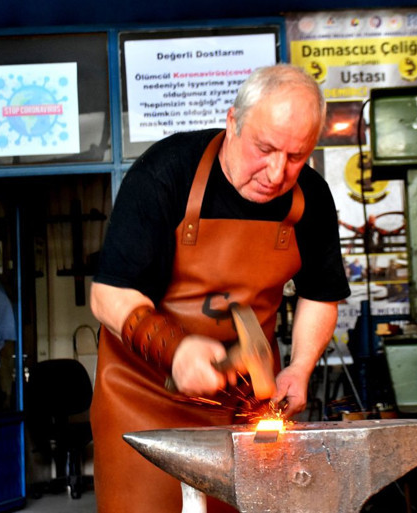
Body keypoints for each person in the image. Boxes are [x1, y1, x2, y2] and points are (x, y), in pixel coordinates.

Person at [89, 64, 350, 513]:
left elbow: (321, 294)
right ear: (233, 122)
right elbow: (108, 296)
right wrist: (176, 350)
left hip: (243, 405)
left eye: (295, 156)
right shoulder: (167, 172)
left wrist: (300, 368)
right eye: (264, 149)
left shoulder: (311, 198)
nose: (276, 172)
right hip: (142, 400)